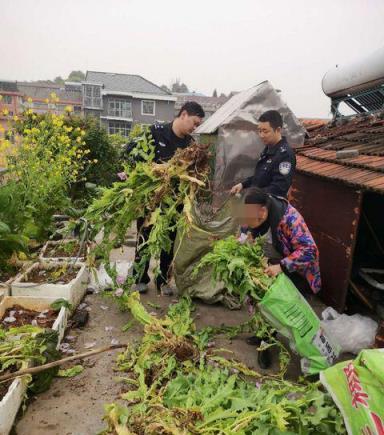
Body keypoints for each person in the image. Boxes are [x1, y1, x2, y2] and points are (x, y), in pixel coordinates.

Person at [240, 187, 321, 368]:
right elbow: (245, 229)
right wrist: (245, 240)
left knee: (276, 306)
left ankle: (266, 345)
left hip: (296, 271)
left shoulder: (290, 220)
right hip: (273, 263)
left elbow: (310, 251)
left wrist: (282, 266)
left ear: (262, 212)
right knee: (260, 299)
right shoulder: (254, 212)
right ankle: (263, 336)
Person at [131, 101, 205, 296]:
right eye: (194, 123)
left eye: (198, 126)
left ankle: (163, 280)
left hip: (174, 202)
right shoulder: (155, 132)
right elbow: (132, 153)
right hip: (151, 198)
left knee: (169, 240)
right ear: (184, 115)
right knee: (144, 237)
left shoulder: (190, 145)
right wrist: (153, 170)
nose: (195, 128)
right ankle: (140, 278)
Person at [230, 110, 296, 198]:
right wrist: (242, 185)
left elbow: (279, 188)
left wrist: (252, 194)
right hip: (257, 204)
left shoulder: (285, 155)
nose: (261, 135)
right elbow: (260, 177)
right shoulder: (268, 149)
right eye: (259, 131)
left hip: (269, 207)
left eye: (265, 131)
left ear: (278, 130)